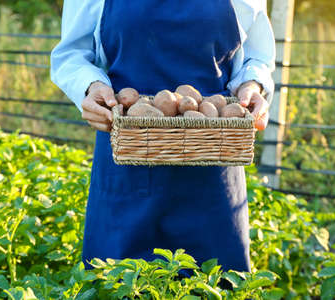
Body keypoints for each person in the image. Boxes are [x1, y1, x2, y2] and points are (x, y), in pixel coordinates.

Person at [51, 0, 275, 273]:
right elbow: (72, 53)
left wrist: (252, 85)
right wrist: (89, 86)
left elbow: (256, 55)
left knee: (214, 283)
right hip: (127, 171)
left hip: (212, 176)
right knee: (119, 283)